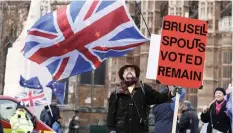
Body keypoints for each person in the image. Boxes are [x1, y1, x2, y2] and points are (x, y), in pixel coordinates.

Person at [106, 64, 180, 133]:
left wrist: (171, 94)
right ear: (122, 75)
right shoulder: (116, 93)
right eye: (126, 71)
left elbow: (158, 97)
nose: (129, 72)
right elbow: (111, 113)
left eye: (131, 70)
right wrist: (111, 130)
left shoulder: (144, 89)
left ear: (136, 75)